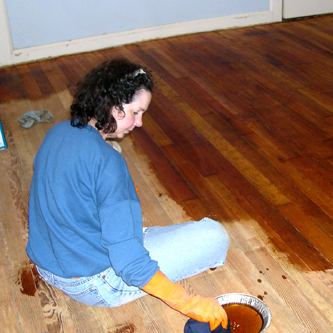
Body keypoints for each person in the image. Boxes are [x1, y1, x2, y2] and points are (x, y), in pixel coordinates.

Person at [26, 58, 230, 331]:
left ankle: (127, 237)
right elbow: (130, 264)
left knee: (125, 228)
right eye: (135, 112)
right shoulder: (107, 164)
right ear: (112, 105)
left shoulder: (58, 131)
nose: (140, 122)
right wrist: (188, 302)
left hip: (49, 262)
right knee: (214, 235)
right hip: (94, 282)